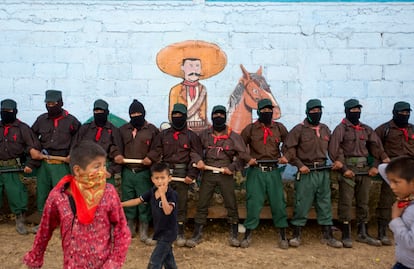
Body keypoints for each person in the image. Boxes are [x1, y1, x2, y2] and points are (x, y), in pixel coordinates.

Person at [23, 141, 131, 269]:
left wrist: (113, 263)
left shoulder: (108, 193)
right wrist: (34, 259)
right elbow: (45, 229)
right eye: (97, 166)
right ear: (78, 170)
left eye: (104, 166)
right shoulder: (59, 196)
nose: (103, 171)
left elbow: (122, 230)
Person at [186, 105, 253, 248]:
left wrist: (232, 168)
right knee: (202, 202)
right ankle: (197, 234)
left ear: (225, 117)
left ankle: (234, 234)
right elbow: (195, 151)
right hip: (208, 173)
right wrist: (198, 160)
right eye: (216, 115)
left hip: (225, 173)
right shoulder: (204, 135)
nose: (219, 117)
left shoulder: (234, 136)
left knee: (231, 203)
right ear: (212, 116)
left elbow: (243, 156)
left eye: (222, 115)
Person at [328, 98, 390, 248]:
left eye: (358, 110)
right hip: (348, 171)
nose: (356, 112)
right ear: (347, 111)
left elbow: (376, 148)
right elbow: (334, 150)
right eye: (353, 110)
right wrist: (344, 169)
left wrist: (376, 164)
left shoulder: (366, 129)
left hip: (364, 171)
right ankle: (346, 234)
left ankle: (363, 232)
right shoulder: (341, 129)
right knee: (346, 202)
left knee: (364, 202)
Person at [283, 99, 343, 248]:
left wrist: (338, 160)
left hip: (322, 171)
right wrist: (299, 165)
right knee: (302, 203)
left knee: (325, 203)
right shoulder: (299, 130)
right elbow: (288, 150)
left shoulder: (325, 129)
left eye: (318, 110)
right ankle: (296, 235)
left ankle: (328, 235)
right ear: (307, 112)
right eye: (313, 111)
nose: (316, 113)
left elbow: (335, 148)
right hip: (306, 172)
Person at [147, 103, 202, 247]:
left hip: (182, 175)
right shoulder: (163, 135)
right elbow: (155, 153)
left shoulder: (192, 136)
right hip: (165, 174)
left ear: (185, 117)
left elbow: (196, 157)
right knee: (160, 203)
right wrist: (156, 174)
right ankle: (161, 232)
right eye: (175, 115)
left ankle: (179, 232)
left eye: (180, 115)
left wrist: (191, 175)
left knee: (180, 204)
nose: (177, 118)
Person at [239, 98, 290, 249]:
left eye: (269, 110)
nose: (267, 112)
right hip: (256, 171)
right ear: (258, 112)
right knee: (253, 203)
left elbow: (290, 144)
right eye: (264, 110)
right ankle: (248, 234)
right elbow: (240, 147)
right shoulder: (250, 129)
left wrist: (285, 156)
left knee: (279, 203)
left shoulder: (279, 128)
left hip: (273, 171)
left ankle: (282, 235)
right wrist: (249, 159)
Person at [31, 90, 81, 232]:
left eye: (53, 103)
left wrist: (72, 154)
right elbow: (32, 136)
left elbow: (78, 138)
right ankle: (44, 222)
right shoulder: (41, 120)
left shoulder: (71, 121)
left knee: (63, 193)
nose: (50, 106)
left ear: (60, 103)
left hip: (61, 163)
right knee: (43, 193)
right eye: (48, 103)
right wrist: (34, 150)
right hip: (44, 163)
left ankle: (66, 221)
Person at [156, 40, 227, 133]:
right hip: (183, 129)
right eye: (190, 65)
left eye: (197, 66)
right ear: (182, 67)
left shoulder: (203, 89)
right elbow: (171, 115)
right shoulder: (175, 90)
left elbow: (203, 114)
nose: (194, 69)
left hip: (201, 129)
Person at [118, 99, 159, 244]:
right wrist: (117, 155)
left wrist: (150, 157)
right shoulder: (123, 130)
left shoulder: (152, 130)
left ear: (143, 113)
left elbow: (158, 148)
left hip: (143, 172)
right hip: (128, 171)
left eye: (138, 113)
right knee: (128, 199)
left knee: (144, 200)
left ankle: (144, 228)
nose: (136, 116)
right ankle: (129, 226)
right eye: (133, 114)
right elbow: (116, 146)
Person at [122, 162, 178, 269]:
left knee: (154, 263)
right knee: (168, 260)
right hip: (159, 231)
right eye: (157, 178)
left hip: (168, 233)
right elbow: (138, 200)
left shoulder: (172, 194)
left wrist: (162, 195)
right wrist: (120, 204)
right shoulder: (151, 192)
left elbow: (167, 211)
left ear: (169, 178)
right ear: (152, 179)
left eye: (163, 178)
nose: (160, 181)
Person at [0, 99, 42, 235]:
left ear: (15, 112)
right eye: (4, 111)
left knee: (16, 193)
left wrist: (30, 165)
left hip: (14, 166)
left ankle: (20, 218)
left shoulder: (23, 129)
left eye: (9, 111)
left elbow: (34, 147)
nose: (6, 114)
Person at [375, 101, 413, 246]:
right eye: (402, 112)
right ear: (394, 113)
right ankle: (382, 231)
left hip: (410, 171)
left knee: (410, 202)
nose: (405, 115)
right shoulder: (384, 129)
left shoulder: (412, 129)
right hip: (393, 170)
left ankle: (407, 228)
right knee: (386, 200)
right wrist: (382, 159)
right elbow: (375, 145)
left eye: (407, 112)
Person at [73, 99, 123, 186]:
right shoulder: (85, 129)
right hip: (86, 169)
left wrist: (110, 171)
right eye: (96, 111)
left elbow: (119, 154)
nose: (98, 113)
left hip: (104, 170)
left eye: (101, 111)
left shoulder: (113, 130)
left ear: (106, 112)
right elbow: (75, 148)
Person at [378, 156, 414, 269]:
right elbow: (382, 168)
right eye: (390, 181)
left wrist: (395, 218)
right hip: (403, 263)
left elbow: (411, 243)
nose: (391, 186)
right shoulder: (408, 196)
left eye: (396, 182)